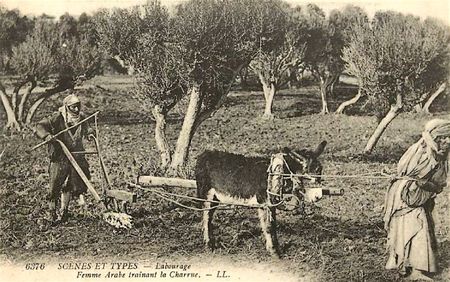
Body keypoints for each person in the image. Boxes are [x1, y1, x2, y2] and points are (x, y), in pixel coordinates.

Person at [384, 119, 450, 280]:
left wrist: (433, 187)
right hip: (407, 196)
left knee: (420, 225)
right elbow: (411, 177)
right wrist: (430, 186)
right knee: (417, 227)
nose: (448, 141)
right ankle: (416, 269)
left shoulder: (439, 156)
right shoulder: (420, 151)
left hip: (418, 196)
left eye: (449, 137)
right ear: (436, 137)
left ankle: (404, 262)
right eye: (444, 137)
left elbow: (438, 182)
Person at [35, 94, 95, 225]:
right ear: (67, 107)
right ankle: (52, 213)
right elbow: (40, 126)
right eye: (73, 107)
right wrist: (46, 136)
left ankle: (64, 211)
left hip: (76, 155)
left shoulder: (82, 117)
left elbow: (87, 127)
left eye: (78, 106)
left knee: (71, 185)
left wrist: (90, 133)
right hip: (60, 156)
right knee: (55, 185)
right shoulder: (57, 117)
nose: (76, 110)